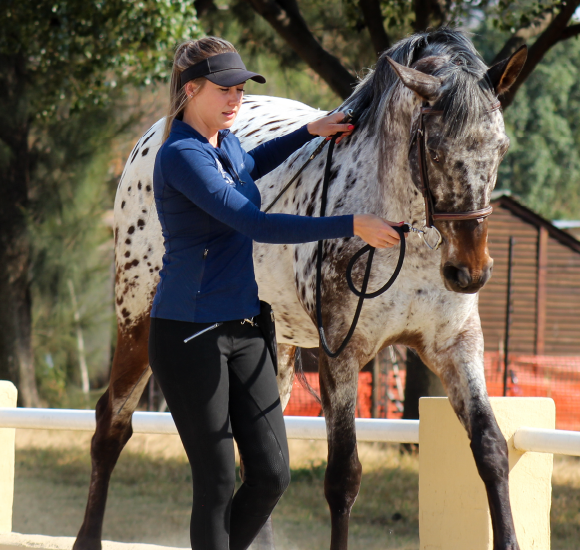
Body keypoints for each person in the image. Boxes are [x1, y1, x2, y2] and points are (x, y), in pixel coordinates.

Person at [148, 36, 400, 550]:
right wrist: (352, 223)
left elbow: (249, 166)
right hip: (189, 332)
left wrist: (309, 132)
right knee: (217, 481)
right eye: (224, 89)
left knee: (271, 474)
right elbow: (253, 222)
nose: (235, 99)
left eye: (240, 89)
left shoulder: (225, 142)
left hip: (244, 326)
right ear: (190, 90)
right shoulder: (180, 155)